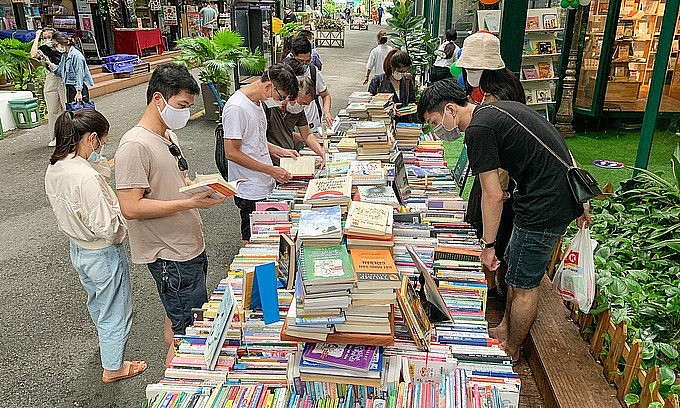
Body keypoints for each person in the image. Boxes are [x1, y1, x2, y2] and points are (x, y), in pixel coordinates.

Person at [417, 79, 591, 363]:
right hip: (545, 194)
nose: (437, 129)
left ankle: (512, 348)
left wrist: (488, 245)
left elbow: (492, 195)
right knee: (515, 271)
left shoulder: (478, 130)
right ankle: (504, 329)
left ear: (450, 110)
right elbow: (551, 142)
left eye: (435, 121)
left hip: (545, 204)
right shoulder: (493, 111)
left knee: (524, 284)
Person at [115, 63, 225, 367]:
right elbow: (131, 207)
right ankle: (180, 378)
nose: (186, 113)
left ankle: (174, 360)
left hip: (188, 246)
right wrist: (189, 203)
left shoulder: (167, 136)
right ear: (158, 100)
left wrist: (199, 187)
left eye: (190, 106)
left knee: (179, 314)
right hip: (169, 255)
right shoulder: (135, 145)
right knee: (188, 330)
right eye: (182, 105)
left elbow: (174, 184)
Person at [45, 109, 148, 384]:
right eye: (102, 140)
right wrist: (123, 223)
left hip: (78, 247)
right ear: (91, 139)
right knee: (116, 307)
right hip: (101, 250)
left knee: (98, 300)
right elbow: (107, 225)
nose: (103, 146)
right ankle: (113, 367)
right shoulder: (85, 176)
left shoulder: (56, 165)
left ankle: (107, 346)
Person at [454, 29, 527, 298]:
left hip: (499, 178)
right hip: (492, 174)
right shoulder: (497, 88)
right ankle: (489, 284)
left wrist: (498, 191)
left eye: (474, 67)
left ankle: (488, 287)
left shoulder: (500, 97)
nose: (469, 72)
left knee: (488, 230)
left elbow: (502, 156)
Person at [222, 64, 299, 245]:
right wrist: (270, 170)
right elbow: (231, 152)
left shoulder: (257, 104)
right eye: (280, 97)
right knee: (252, 240)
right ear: (268, 86)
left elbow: (255, 140)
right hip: (249, 188)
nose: (280, 102)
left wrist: (280, 151)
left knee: (267, 236)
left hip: (263, 183)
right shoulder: (237, 108)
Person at [265, 71, 325, 167]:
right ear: (292, 95)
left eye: (305, 105)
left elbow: (307, 134)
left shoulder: (298, 110)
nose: (301, 106)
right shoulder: (269, 106)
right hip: (269, 158)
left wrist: (321, 153)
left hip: (288, 157)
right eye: (302, 103)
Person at [31, 27, 66, 147]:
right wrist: (37, 37)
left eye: (49, 37)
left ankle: (71, 135)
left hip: (63, 77)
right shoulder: (44, 48)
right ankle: (56, 137)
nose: (47, 40)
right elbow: (33, 54)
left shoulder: (63, 47)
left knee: (66, 107)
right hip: (50, 77)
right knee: (53, 110)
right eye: (44, 38)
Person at [290, 36, 334, 129]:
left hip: (312, 123)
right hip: (292, 127)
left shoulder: (313, 71)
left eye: (308, 60)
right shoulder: (285, 73)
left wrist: (327, 112)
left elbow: (325, 95)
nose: (304, 64)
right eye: (300, 61)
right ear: (292, 56)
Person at [51, 32, 94, 110]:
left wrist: (78, 91)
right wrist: (49, 63)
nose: (55, 48)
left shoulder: (76, 55)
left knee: (81, 113)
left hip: (77, 86)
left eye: (55, 45)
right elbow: (60, 72)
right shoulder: (64, 55)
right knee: (72, 111)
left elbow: (79, 73)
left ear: (62, 43)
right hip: (69, 86)